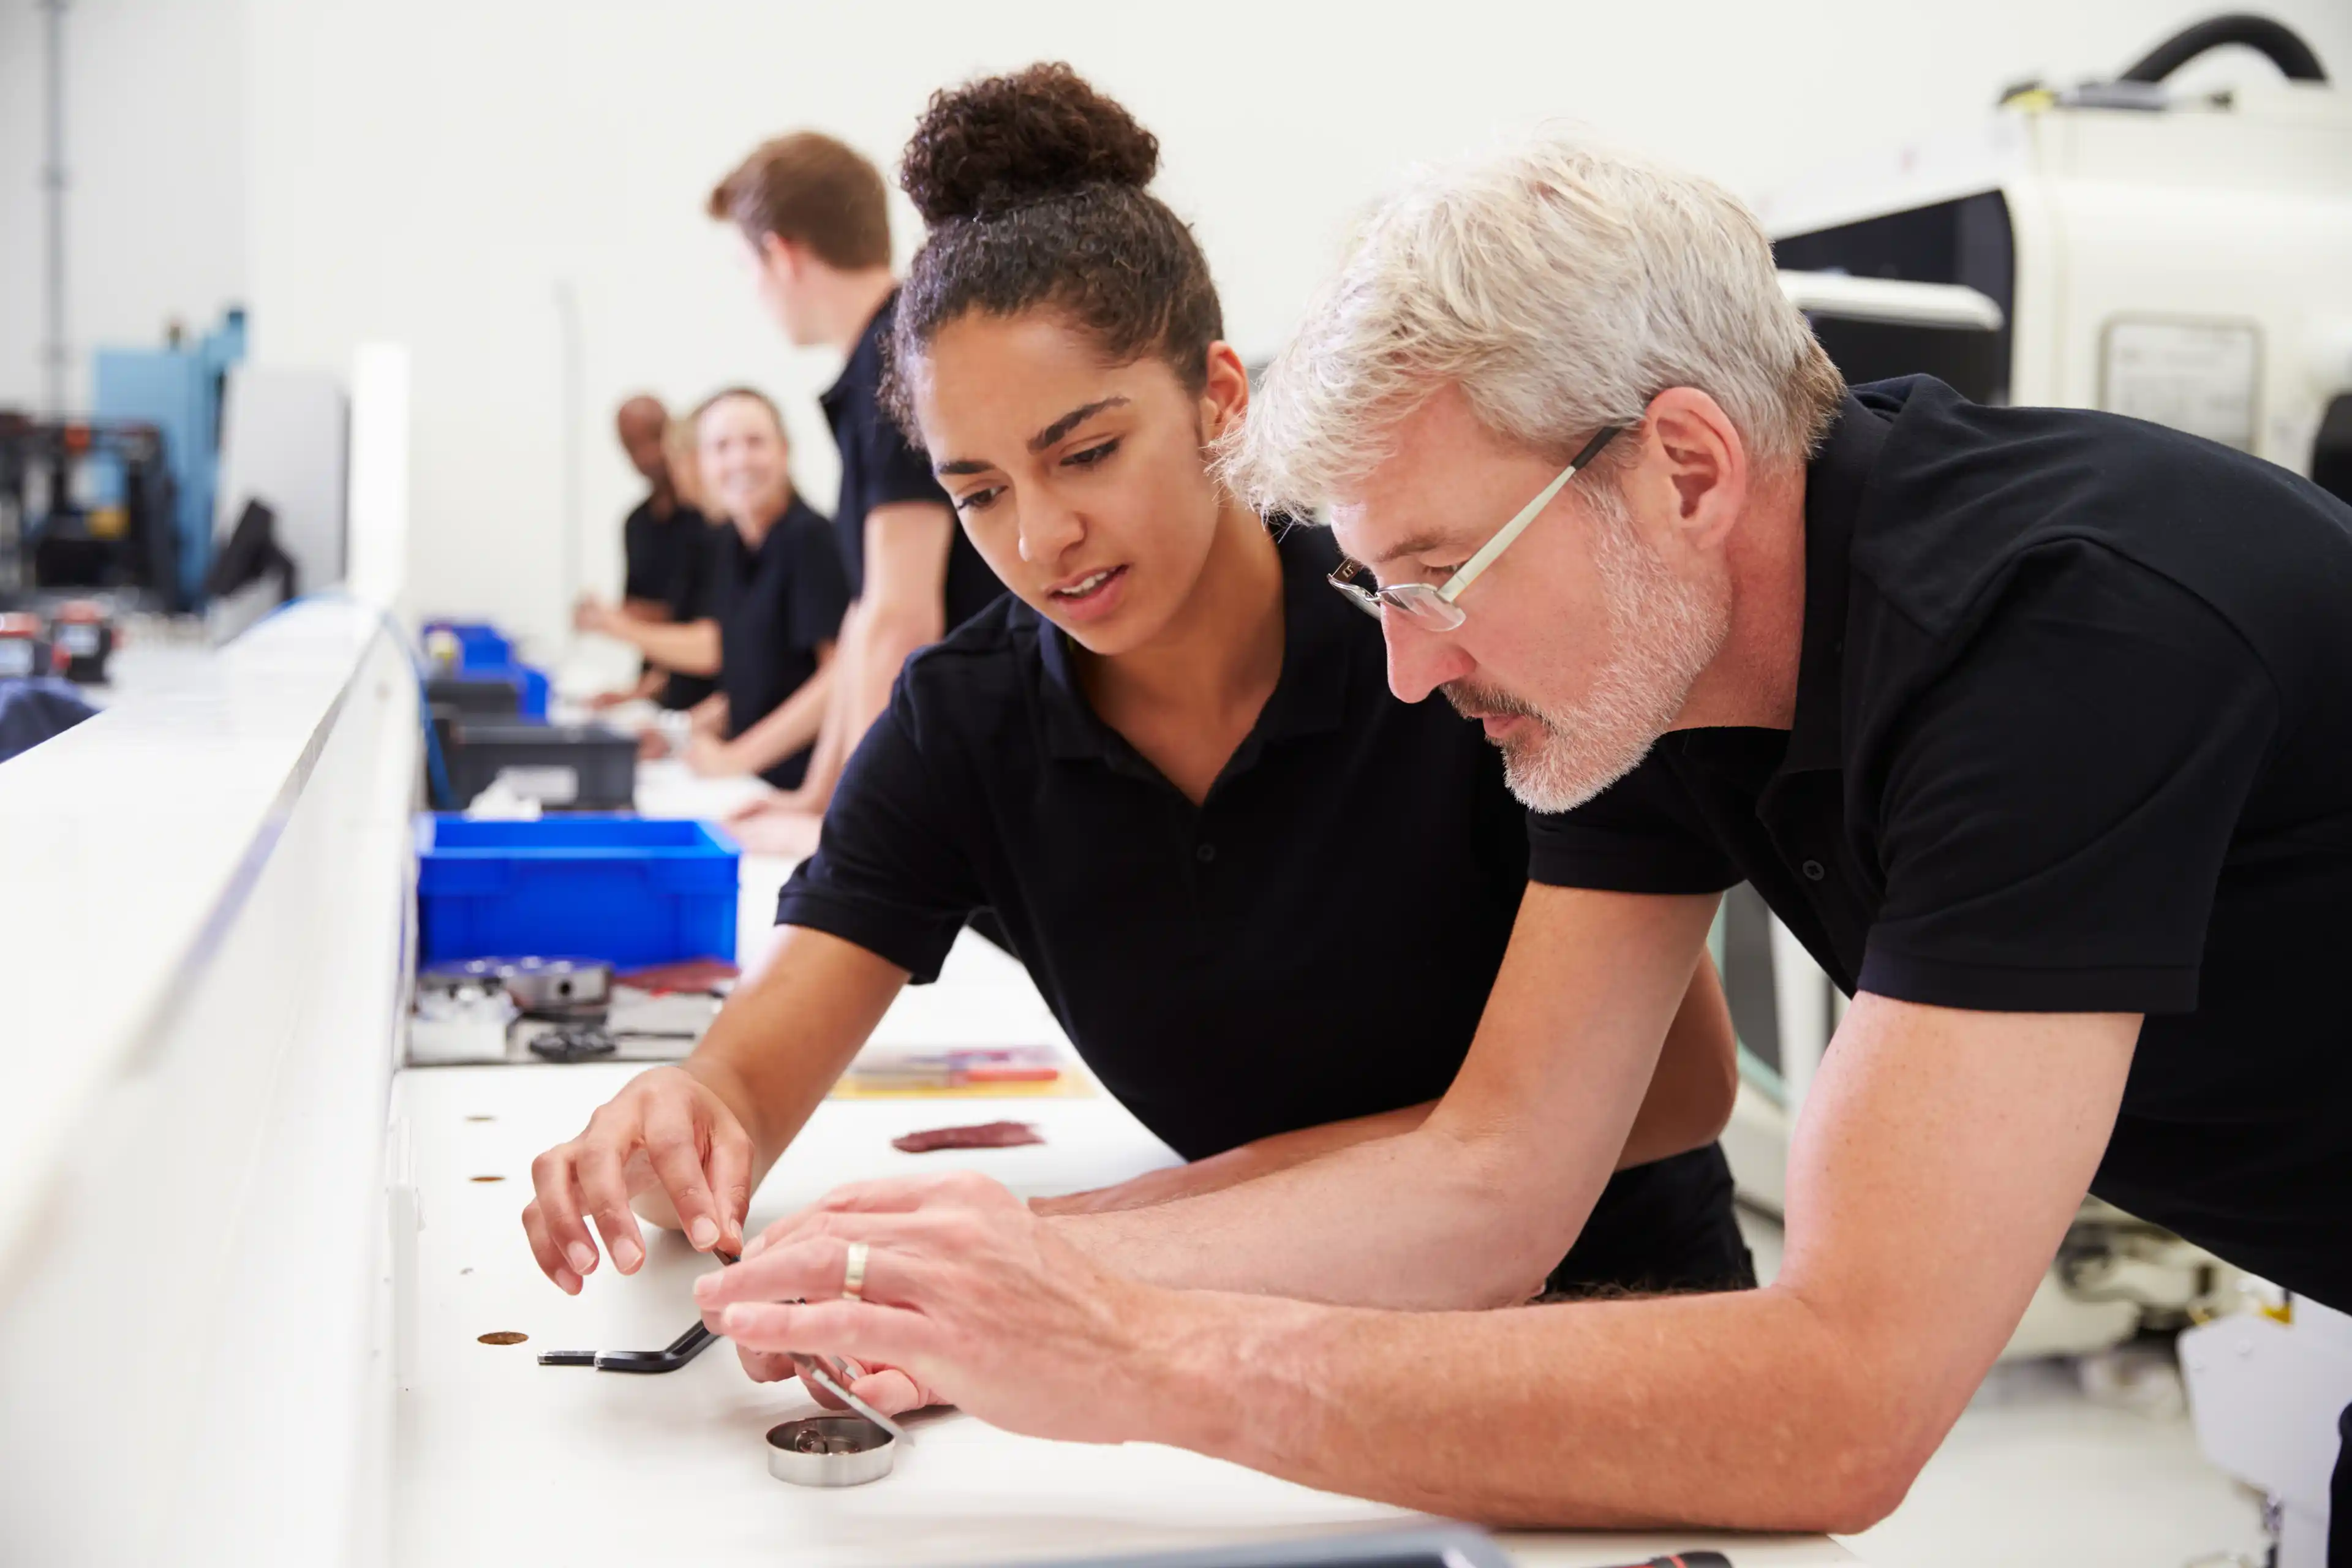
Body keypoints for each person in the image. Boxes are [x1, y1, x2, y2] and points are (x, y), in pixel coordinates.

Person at [688, 126, 2352, 1540]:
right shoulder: (1664, 661)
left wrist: (1135, 1355)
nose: (1408, 664)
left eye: (1439, 577)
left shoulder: (2052, 646)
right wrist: (1007, 1270)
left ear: (1685, 469)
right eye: (1375, 589)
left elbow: (1852, 1392)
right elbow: (1494, 1179)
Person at [521, 69, 1756, 1413]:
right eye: (978, 489)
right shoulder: (966, 724)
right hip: (1242, 1367)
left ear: (1220, 396)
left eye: (1087, 452)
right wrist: (687, 1113)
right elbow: (753, 1067)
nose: (1039, 538)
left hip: (1605, 1331)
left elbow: (1682, 1086)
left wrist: (1115, 1237)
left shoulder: (1436, 633)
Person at [702, 130, 1005, 854]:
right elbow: (866, 612)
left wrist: (857, 831)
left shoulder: (897, 365)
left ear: (782, 254)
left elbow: (902, 619)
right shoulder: (883, 356)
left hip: (983, 757)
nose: (754, 290)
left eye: (747, 267)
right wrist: (818, 799)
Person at [579, 389, 848, 788]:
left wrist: (739, 757)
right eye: (721, 447)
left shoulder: (808, 539)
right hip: (751, 780)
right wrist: (676, 733)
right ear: (700, 464)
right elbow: (754, 686)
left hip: (801, 785)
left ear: (784, 451)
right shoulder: (734, 549)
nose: (739, 460)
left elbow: (840, 680)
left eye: (755, 442)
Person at [582, 394, 717, 712]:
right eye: (632, 446)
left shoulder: (715, 531)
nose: (648, 456)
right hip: (677, 703)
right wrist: (637, 695)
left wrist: (620, 624)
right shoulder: (636, 524)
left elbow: (714, 645)